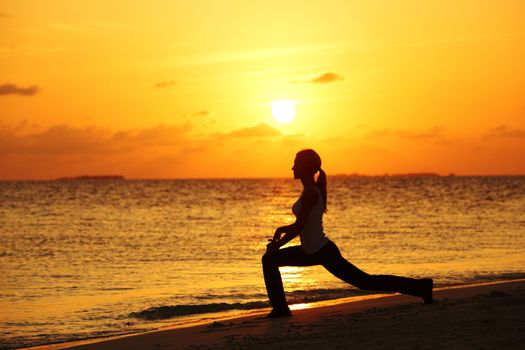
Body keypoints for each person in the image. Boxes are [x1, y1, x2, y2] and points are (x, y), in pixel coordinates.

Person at [262, 149, 433, 318]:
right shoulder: (310, 191)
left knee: (366, 282)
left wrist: (277, 245)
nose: (292, 168)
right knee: (270, 260)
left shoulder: (310, 193)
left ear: (305, 167)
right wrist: (280, 230)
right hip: (314, 250)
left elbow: (299, 227)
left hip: (321, 251)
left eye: (296, 164)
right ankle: (280, 309)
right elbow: (306, 224)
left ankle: (421, 287)